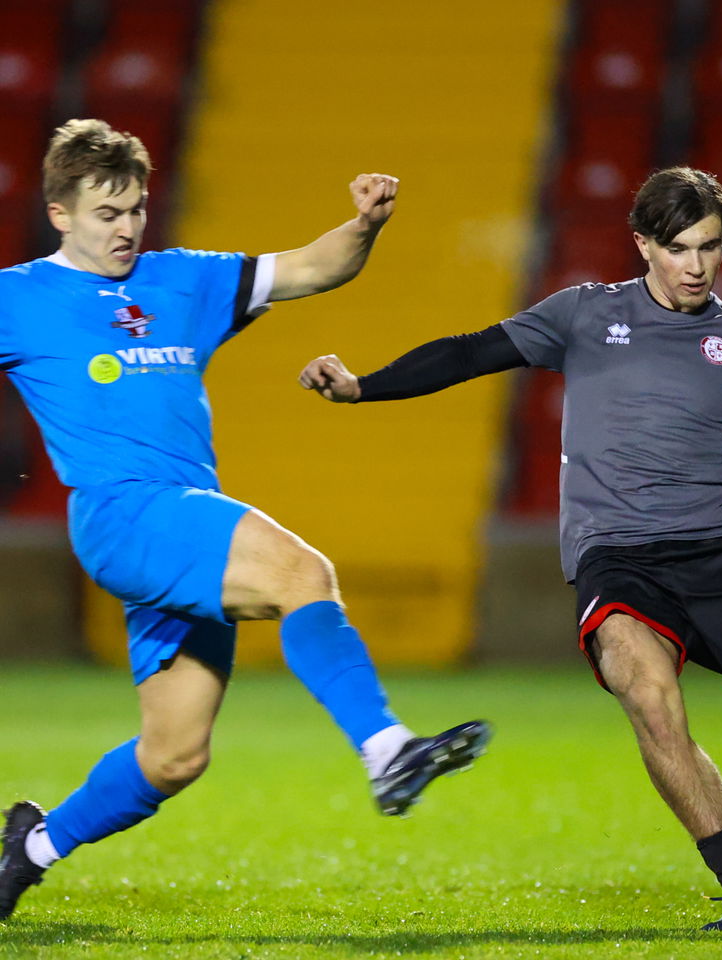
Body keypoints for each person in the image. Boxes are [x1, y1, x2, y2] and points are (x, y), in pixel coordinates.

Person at [0, 119, 491, 920]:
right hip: (125, 513)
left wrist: (364, 226)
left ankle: (34, 848)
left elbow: (310, 266)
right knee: (305, 573)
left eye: (135, 209)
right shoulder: (17, 297)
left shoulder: (179, 281)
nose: (126, 228)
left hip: (179, 523)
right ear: (59, 213)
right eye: (106, 213)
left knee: (174, 755)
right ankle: (388, 750)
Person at [299, 166, 722, 931]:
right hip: (615, 557)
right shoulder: (585, 314)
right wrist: (362, 387)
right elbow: (470, 352)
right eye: (678, 248)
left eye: (709, 247)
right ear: (642, 244)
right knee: (646, 694)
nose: (695, 266)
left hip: (717, 551)